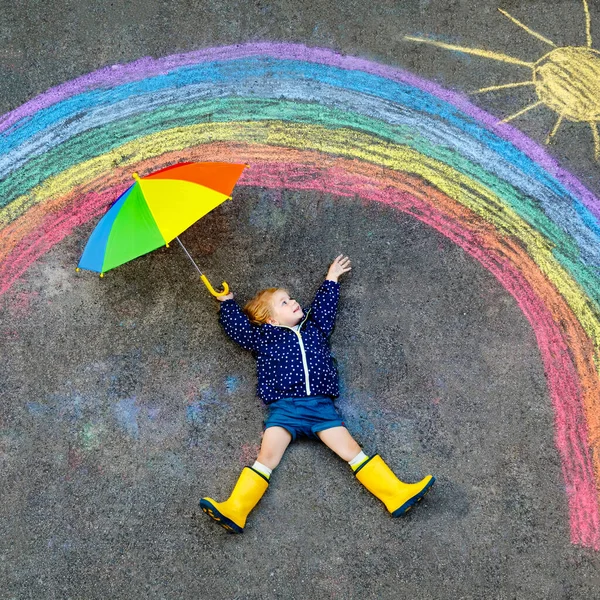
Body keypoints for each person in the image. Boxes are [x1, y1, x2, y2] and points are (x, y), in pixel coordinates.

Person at [200, 255, 435, 533]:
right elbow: (239, 329)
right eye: (284, 302)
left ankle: (395, 494)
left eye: (291, 297)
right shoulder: (263, 337)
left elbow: (324, 309)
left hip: (321, 409)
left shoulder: (313, 328)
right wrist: (227, 302)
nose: (293, 302)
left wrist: (332, 279)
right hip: (284, 409)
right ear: (271, 320)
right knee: (266, 459)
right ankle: (236, 509)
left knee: (354, 453)